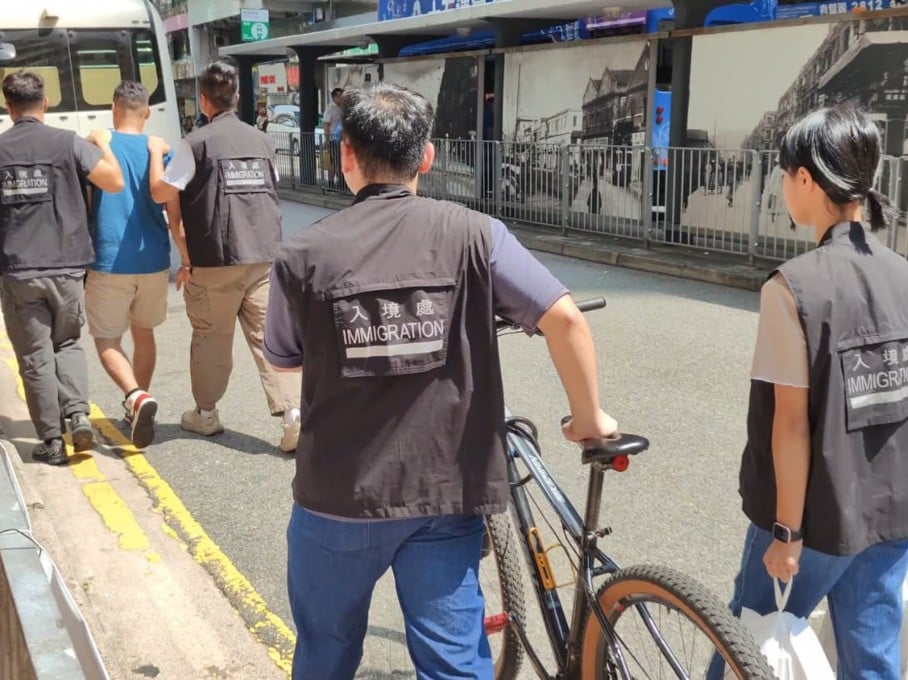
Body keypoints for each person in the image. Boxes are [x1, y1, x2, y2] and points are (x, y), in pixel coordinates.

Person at [263, 82, 618, 678]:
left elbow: (282, 358)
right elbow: (564, 319)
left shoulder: (302, 255)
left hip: (337, 498)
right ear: (426, 156)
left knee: (325, 651)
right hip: (444, 494)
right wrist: (588, 418)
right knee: (454, 662)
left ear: (346, 155)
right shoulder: (477, 235)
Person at [708, 105, 908, 679]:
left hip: (814, 521)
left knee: (746, 648)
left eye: (784, 173)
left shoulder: (792, 288)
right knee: (871, 659)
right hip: (891, 509)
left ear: (806, 179)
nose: (781, 185)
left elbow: (791, 426)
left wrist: (786, 534)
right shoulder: (901, 272)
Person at [0, 70, 124, 465]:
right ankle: (78, 415)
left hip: (18, 269)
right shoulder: (68, 143)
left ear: (7, 107)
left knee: (34, 355)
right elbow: (114, 181)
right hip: (67, 265)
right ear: (46, 102)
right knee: (68, 342)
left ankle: (52, 441)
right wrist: (102, 144)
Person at [151, 61, 301, 452]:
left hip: (214, 259)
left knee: (211, 338)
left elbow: (163, 192)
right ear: (236, 97)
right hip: (264, 257)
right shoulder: (263, 141)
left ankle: (206, 413)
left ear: (204, 100)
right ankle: (293, 415)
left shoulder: (196, 143)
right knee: (270, 337)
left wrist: (154, 161)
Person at [85, 81, 179, 449]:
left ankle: (135, 396)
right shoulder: (161, 151)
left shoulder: (97, 146)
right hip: (154, 259)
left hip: (110, 259)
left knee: (107, 339)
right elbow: (174, 211)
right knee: (144, 333)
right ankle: (138, 403)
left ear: (113, 108)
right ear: (148, 112)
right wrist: (186, 259)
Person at [322, 87, 344, 189]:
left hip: (341, 140)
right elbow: (326, 124)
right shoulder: (331, 108)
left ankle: (339, 183)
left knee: (339, 162)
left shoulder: (343, 108)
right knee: (333, 163)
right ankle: (332, 184)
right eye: (338, 96)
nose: (341, 97)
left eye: (342, 95)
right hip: (333, 140)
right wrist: (327, 140)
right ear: (334, 97)